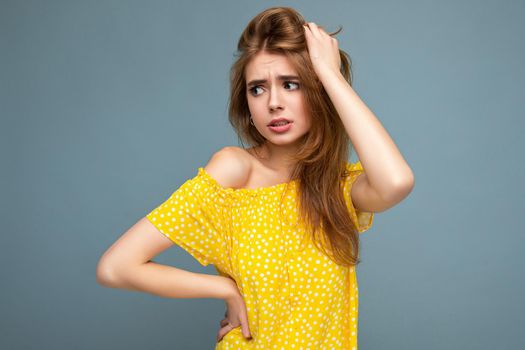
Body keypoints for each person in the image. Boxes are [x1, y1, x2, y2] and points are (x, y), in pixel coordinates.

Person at [96, 6, 414, 349]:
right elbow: (116, 267)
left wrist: (330, 75)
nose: (273, 103)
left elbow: (396, 182)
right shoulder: (235, 170)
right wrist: (224, 288)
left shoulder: (336, 188)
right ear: (245, 102)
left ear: (318, 90)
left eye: (291, 84)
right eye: (257, 89)